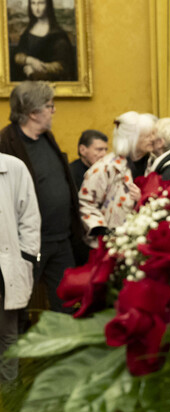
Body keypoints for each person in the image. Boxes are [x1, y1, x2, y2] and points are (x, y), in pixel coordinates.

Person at [0, 81, 83, 311]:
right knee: (17, 307)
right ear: (33, 112)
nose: (54, 110)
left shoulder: (47, 137)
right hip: (28, 245)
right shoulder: (6, 143)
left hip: (61, 239)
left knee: (67, 306)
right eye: (49, 105)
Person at [78, 111, 157, 247]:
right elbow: (86, 203)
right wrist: (104, 232)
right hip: (112, 244)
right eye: (147, 136)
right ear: (132, 138)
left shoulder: (155, 163)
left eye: (153, 134)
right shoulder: (106, 167)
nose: (152, 139)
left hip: (147, 240)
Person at [0, 154, 40, 382]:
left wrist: (26, 255)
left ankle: (8, 401)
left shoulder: (13, 167)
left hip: (5, 265)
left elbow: (30, 217)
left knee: (7, 334)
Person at [10, 0, 76, 82]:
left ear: (48, 5)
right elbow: (17, 55)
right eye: (33, 3)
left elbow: (62, 66)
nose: (36, 8)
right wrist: (29, 60)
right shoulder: (28, 31)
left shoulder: (57, 34)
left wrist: (38, 70)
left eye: (41, 3)